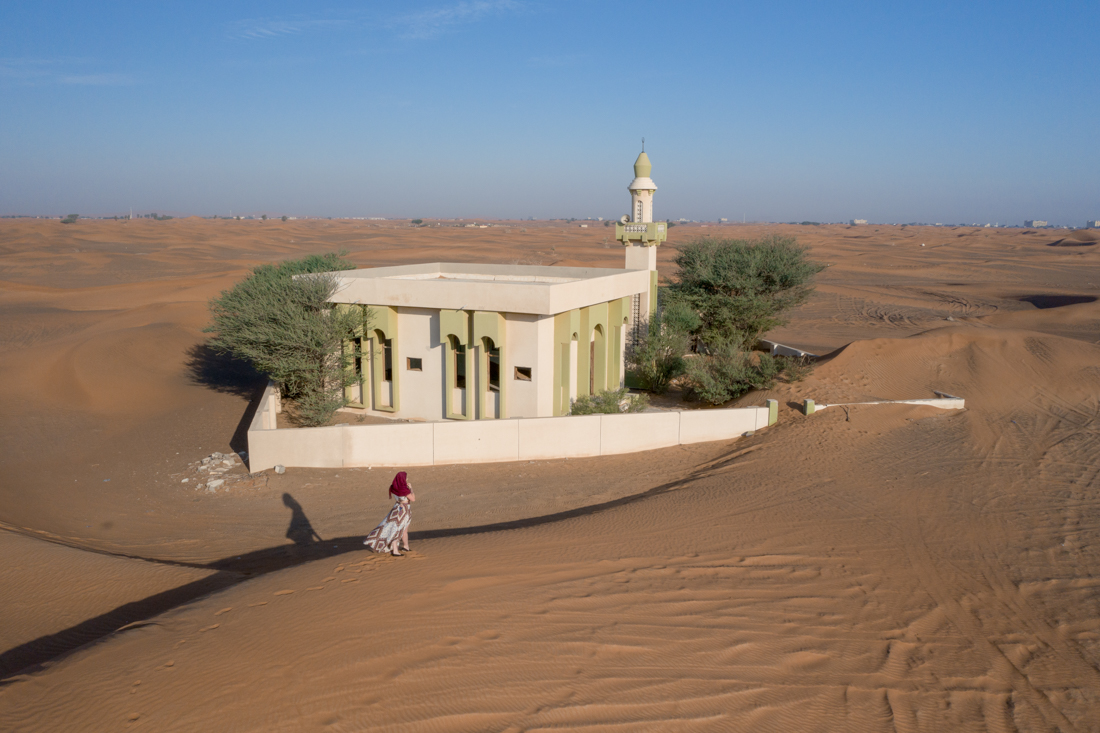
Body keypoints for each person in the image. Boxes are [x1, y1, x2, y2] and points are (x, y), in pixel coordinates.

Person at [363, 471, 415, 556]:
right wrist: (411, 489)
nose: (407, 479)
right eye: (406, 477)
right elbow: (413, 499)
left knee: (396, 528)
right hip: (404, 510)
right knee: (399, 530)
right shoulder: (404, 489)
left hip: (396, 509)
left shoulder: (393, 487)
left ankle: (406, 547)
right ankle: (395, 550)